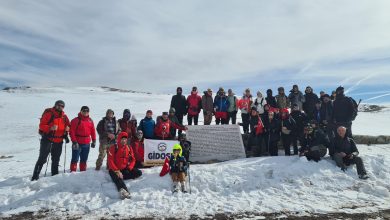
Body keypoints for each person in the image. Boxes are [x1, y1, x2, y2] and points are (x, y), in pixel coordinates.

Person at [32, 100, 70, 181]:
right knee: (42, 159)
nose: (60, 107)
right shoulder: (49, 114)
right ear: (55, 105)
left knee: (56, 160)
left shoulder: (64, 116)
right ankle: (35, 176)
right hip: (47, 140)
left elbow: (68, 124)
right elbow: (41, 125)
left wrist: (67, 129)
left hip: (59, 141)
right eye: (58, 105)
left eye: (62, 106)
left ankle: (55, 176)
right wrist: (50, 128)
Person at [107, 132, 142, 199]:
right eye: (122, 139)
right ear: (119, 139)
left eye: (125, 139)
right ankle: (123, 191)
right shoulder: (113, 147)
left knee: (138, 172)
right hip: (114, 169)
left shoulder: (128, 147)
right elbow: (110, 161)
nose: (124, 141)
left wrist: (129, 168)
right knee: (118, 178)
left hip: (124, 168)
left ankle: (122, 177)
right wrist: (117, 171)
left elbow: (133, 159)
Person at [69, 106, 96, 172]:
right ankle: (73, 172)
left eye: (87, 111)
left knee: (84, 159)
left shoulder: (90, 120)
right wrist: (74, 142)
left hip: (87, 143)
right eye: (84, 111)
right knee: (75, 159)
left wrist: (94, 140)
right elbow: (71, 132)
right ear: (81, 111)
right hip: (77, 143)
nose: (85, 112)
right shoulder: (75, 120)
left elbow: (93, 131)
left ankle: (83, 173)